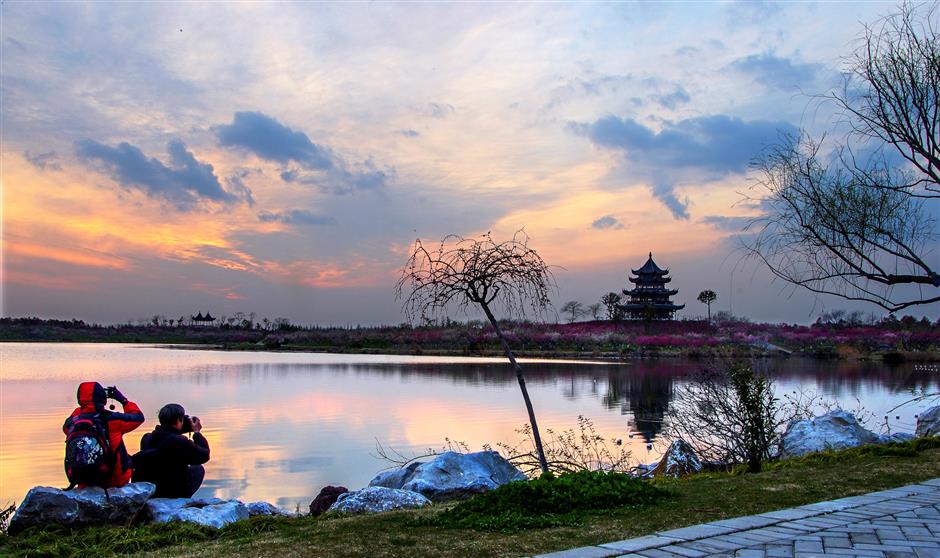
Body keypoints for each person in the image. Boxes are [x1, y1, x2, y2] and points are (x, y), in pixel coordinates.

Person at [62, 382, 144, 488]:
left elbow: (66, 426)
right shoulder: (113, 419)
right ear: (102, 398)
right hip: (114, 480)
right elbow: (138, 417)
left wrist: (83, 408)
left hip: (82, 480)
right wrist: (123, 400)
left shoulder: (72, 423)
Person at [133, 403, 210, 498]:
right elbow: (205, 455)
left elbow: (168, 434)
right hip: (174, 491)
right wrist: (197, 433)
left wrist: (181, 428)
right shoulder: (180, 442)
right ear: (179, 420)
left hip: (153, 491)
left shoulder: (147, 438)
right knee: (198, 468)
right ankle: (183, 499)